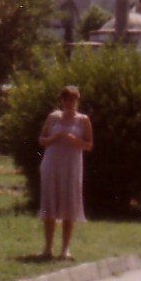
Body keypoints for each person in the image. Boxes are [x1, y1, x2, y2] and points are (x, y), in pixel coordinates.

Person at [38, 85, 92, 260]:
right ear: (61, 100)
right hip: (52, 164)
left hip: (71, 166)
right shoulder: (53, 117)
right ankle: (47, 248)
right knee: (49, 205)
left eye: (73, 99)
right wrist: (53, 138)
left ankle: (65, 249)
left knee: (70, 204)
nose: (69, 103)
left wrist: (75, 140)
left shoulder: (83, 120)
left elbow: (89, 145)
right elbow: (41, 139)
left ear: (77, 101)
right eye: (66, 99)